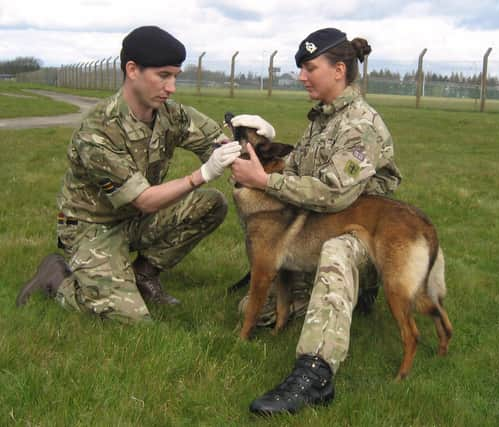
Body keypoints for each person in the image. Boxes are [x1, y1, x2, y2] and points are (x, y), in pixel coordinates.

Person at [15, 25, 249, 323]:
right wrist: (201, 174)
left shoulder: (170, 114)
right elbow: (145, 200)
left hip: (134, 220)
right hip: (92, 227)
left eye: (175, 76)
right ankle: (57, 279)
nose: (172, 87)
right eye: (163, 75)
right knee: (130, 319)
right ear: (133, 70)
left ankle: (144, 275)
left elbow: (215, 143)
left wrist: (244, 139)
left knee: (211, 204)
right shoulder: (98, 130)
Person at [231, 28, 402, 415]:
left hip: (365, 232)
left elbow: (334, 194)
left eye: (310, 68)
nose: (302, 76)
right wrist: (259, 162)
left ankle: (314, 373)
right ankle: (351, 298)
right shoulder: (322, 120)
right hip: (322, 223)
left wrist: (265, 182)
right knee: (253, 310)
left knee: (336, 253)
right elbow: (297, 166)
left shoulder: (359, 124)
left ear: (339, 69)